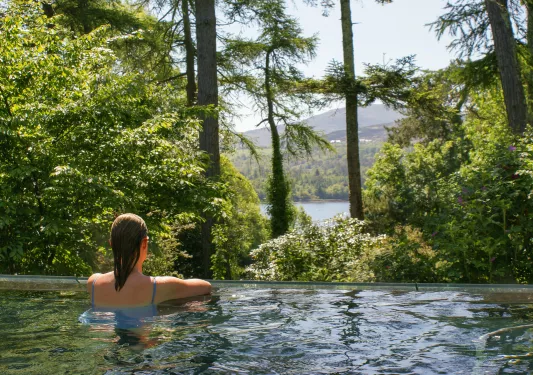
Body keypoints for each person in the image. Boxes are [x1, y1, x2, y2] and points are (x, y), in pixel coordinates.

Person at [87, 213, 212, 308]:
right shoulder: (158, 287)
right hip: (140, 342)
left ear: (112, 244)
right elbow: (206, 287)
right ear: (144, 243)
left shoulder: (93, 283)